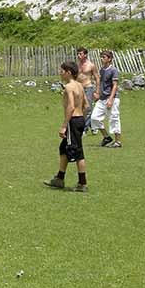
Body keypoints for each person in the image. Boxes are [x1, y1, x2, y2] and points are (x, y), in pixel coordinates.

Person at [44, 61, 90, 192]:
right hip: (79, 119)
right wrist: (82, 120)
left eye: (62, 71)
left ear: (68, 72)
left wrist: (65, 125)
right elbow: (86, 106)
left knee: (77, 152)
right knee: (63, 148)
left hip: (73, 121)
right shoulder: (80, 86)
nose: (60, 73)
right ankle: (59, 179)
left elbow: (71, 107)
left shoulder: (69, 87)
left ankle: (82, 183)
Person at [90, 49, 122, 148]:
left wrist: (111, 99)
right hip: (102, 98)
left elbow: (115, 85)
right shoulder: (102, 70)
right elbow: (101, 84)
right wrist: (97, 93)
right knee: (94, 118)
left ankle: (118, 142)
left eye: (104, 57)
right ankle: (106, 137)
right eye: (101, 57)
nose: (101, 59)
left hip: (112, 98)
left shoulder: (113, 70)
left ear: (110, 59)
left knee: (114, 118)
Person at [76, 47, 99, 133]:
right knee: (80, 108)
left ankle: (84, 129)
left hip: (88, 87)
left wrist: (97, 91)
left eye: (80, 54)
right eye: (78, 54)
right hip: (79, 88)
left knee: (88, 108)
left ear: (85, 55)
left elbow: (97, 78)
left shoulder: (91, 65)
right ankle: (92, 125)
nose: (78, 56)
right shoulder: (77, 65)